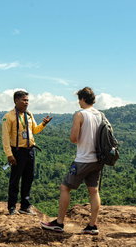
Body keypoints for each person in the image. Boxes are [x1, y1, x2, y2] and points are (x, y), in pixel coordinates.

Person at [41, 87, 105, 235]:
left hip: (83, 159)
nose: (78, 102)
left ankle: (59, 223)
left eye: (78, 100)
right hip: (98, 160)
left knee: (64, 188)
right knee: (94, 191)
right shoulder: (101, 115)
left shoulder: (80, 115)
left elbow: (73, 138)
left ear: (82, 99)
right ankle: (92, 225)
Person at [2, 90, 52, 216]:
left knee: (28, 179)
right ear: (16, 101)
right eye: (24, 100)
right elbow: (5, 137)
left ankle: (25, 206)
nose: (26, 103)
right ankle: (12, 207)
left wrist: (43, 124)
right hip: (17, 151)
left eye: (27, 100)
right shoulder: (8, 117)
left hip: (30, 150)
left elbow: (34, 130)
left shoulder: (29, 115)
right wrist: (9, 154)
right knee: (15, 180)